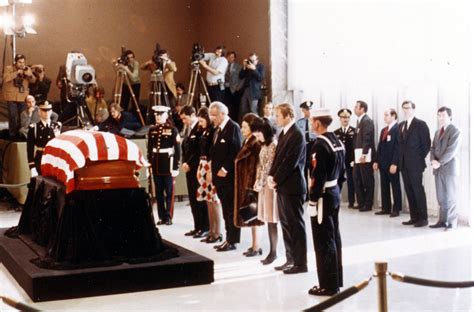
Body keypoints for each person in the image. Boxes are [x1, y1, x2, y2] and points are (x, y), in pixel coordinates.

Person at [307, 107, 345, 296]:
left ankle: (328, 285)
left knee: (323, 241)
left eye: (312, 120)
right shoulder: (337, 141)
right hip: (334, 192)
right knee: (334, 237)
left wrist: (313, 200)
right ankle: (336, 280)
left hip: (323, 196)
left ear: (317, 123)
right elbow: (343, 173)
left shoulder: (319, 145)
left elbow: (317, 176)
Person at [268, 103, 307, 274]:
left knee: (296, 225)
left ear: (288, 116)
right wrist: (271, 175)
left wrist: (275, 178)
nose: (276, 119)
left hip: (293, 186)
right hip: (283, 185)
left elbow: (291, 162)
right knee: (286, 224)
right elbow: (278, 158)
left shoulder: (297, 134)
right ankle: (290, 259)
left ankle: (301, 263)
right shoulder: (284, 132)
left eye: (278, 116)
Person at [208, 101, 242, 251]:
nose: (212, 118)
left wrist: (225, 168)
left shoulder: (233, 128)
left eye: (215, 115)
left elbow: (236, 151)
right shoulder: (218, 129)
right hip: (219, 178)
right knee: (225, 209)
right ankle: (228, 238)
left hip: (228, 177)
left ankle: (233, 240)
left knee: (230, 209)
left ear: (224, 113)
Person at [234, 113, 264, 257]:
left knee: (254, 215)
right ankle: (254, 245)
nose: (241, 129)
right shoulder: (247, 141)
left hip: (251, 183)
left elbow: (258, 165)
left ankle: (257, 246)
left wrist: (251, 183)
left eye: (245, 126)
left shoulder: (255, 143)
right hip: (246, 182)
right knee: (252, 215)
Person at [399, 100, 431, 227]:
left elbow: (426, 145)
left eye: (408, 108)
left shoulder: (420, 124)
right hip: (404, 164)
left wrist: (417, 159)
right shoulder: (401, 125)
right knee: (409, 190)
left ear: (413, 109)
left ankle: (423, 218)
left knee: (418, 190)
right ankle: (414, 217)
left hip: (416, 165)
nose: (406, 110)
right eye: (404, 108)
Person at [147, 105, 181, 225]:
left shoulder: (173, 130)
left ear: (166, 115)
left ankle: (168, 216)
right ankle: (161, 216)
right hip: (156, 165)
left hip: (168, 164)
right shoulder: (152, 130)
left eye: (160, 114)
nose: (158, 117)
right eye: (156, 114)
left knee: (169, 192)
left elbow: (177, 150)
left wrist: (176, 167)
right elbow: (150, 149)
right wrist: (149, 164)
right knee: (159, 193)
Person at [252, 117, 279, 265]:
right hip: (263, 185)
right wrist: (257, 180)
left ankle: (273, 252)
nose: (257, 137)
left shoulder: (273, 145)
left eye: (258, 133)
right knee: (268, 220)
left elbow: (269, 167)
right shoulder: (263, 145)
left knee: (272, 219)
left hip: (270, 185)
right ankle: (272, 251)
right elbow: (260, 165)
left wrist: (261, 182)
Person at [429, 106, 461, 230]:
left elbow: (451, 150)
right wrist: (432, 160)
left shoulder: (455, 130)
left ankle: (452, 223)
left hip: (449, 168)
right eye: (439, 116)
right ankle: (442, 221)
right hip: (438, 169)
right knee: (441, 197)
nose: (441, 118)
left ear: (450, 116)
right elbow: (432, 148)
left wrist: (439, 162)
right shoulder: (438, 132)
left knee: (451, 196)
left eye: (443, 116)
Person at [180, 106, 209, 238]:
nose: (183, 121)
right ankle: (197, 226)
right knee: (192, 198)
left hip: (197, 168)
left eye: (185, 118)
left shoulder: (199, 127)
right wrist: (184, 162)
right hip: (189, 168)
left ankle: (204, 227)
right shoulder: (189, 129)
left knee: (199, 199)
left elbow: (198, 150)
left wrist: (189, 163)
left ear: (192, 115)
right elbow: (185, 148)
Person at [195, 107, 222, 243]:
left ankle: (218, 232)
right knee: (207, 200)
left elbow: (213, 152)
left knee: (214, 200)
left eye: (201, 120)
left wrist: (210, 170)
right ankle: (211, 231)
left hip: (210, 165)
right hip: (203, 164)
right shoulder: (204, 131)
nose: (200, 124)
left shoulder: (213, 131)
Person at [373, 109, 402, 217]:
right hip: (383, 163)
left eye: (387, 115)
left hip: (392, 164)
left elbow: (398, 148)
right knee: (384, 186)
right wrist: (376, 161)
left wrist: (395, 163)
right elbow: (379, 147)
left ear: (394, 116)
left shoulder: (397, 129)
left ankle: (396, 209)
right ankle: (386, 207)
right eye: (384, 115)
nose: (384, 117)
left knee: (395, 186)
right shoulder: (384, 130)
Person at [3, 53, 36, 139]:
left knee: (23, 116)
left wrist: (30, 75)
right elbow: (6, 78)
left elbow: (33, 81)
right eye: (20, 62)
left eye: (23, 62)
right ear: (15, 63)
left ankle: (22, 133)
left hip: (23, 97)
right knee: (13, 116)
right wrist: (17, 73)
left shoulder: (27, 69)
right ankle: (12, 135)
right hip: (11, 96)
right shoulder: (9, 68)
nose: (22, 64)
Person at [27, 101, 61, 177]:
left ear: (51, 111)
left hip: (54, 160)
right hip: (40, 159)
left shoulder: (57, 126)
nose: (46, 113)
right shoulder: (34, 128)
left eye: (49, 110)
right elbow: (30, 148)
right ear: (39, 112)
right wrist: (32, 166)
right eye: (44, 110)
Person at [353, 100, 375, 212]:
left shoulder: (367, 121)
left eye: (356, 107)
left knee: (367, 179)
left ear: (362, 109)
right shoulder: (359, 121)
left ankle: (368, 204)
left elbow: (367, 138)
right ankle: (361, 202)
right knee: (357, 178)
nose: (354, 108)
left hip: (364, 155)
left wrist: (364, 153)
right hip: (357, 155)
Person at [334, 108, 356, 208]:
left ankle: (351, 202)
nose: (345, 119)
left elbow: (355, 147)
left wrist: (354, 160)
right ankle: (336, 201)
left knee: (351, 182)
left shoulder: (354, 131)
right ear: (340, 118)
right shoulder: (335, 133)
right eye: (343, 117)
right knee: (338, 181)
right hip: (339, 162)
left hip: (350, 161)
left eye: (347, 117)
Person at [296, 101, 317, 198]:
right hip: (304, 147)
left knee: (314, 170)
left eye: (310, 109)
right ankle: (306, 195)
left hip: (313, 146)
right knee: (303, 171)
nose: (308, 111)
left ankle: (314, 192)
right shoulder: (299, 122)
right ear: (303, 110)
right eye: (306, 109)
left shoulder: (315, 122)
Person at [238, 53, 265, 121]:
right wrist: (244, 67)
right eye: (250, 60)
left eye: (253, 60)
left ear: (257, 60)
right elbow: (240, 76)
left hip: (254, 91)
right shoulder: (247, 66)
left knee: (253, 109)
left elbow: (260, 78)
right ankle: (245, 124)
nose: (251, 61)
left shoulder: (260, 66)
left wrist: (254, 69)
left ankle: (257, 125)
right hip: (246, 89)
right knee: (243, 109)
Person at [224, 51, 243, 121]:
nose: (230, 58)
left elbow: (242, 78)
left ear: (234, 58)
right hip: (226, 89)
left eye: (232, 57)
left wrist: (238, 88)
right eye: (229, 57)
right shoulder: (224, 66)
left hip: (235, 90)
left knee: (235, 108)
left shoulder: (238, 66)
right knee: (227, 107)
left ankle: (235, 122)